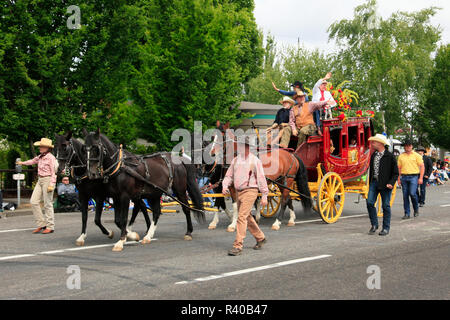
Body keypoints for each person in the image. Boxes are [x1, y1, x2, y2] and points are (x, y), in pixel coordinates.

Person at [222, 136, 269, 256]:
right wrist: (225, 186)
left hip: (250, 190)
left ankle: (238, 245)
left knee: (241, 217)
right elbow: (228, 176)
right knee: (247, 217)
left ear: (248, 147)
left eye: (244, 146)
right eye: (240, 146)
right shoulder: (235, 160)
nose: (241, 148)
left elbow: (261, 178)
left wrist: (264, 195)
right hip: (239, 192)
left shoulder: (255, 161)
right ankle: (260, 238)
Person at [16, 138, 57, 234]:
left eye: (42, 146)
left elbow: (54, 172)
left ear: (47, 148)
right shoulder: (40, 156)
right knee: (33, 201)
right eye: (40, 146)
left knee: (47, 203)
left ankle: (50, 226)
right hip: (40, 180)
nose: (40, 148)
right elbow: (32, 161)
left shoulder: (51, 158)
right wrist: (22, 163)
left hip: (48, 179)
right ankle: (42, 224)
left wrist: (52, 184)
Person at [365, 134, 398, 236]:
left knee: (385, 206)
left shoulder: (390, 156)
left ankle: (386, 228)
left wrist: (391, 183)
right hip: (374, 183)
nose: (372, 143)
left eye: (374, 142)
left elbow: (395, 173)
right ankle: (374, 224)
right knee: (370, 202)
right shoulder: (374, 155)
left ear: (380, 143)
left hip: (386, 184)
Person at [397, 139, 424, 219]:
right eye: (406, 146)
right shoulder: (401, 156)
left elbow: (422, 166)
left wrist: (421, 178)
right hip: (404, 177)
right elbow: (399, 168)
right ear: (404, 147)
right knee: (405, 196)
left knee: (412, 193)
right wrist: (398, 179)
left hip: (414, 177)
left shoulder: (416, 155)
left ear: (412, 146)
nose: (407, 147)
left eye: (409, 145)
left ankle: (416, 209)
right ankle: (407, 213)